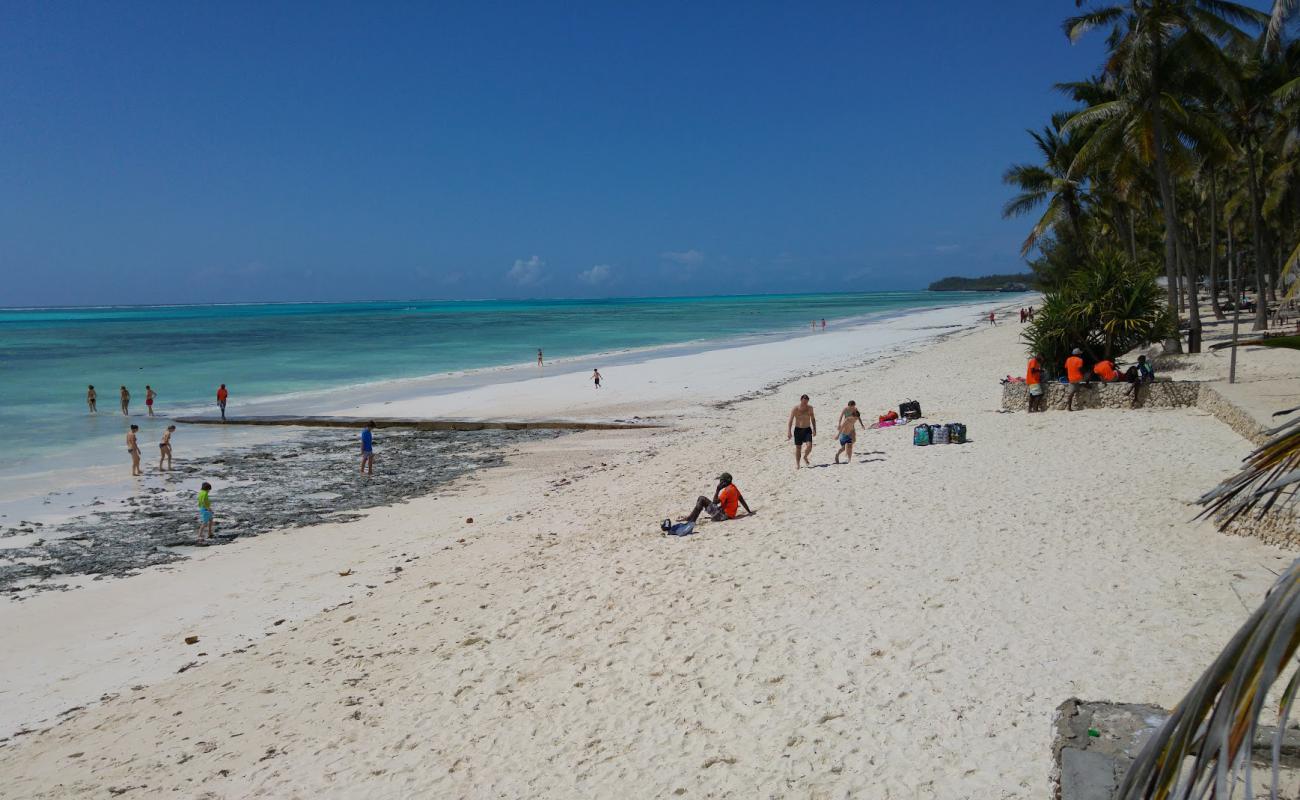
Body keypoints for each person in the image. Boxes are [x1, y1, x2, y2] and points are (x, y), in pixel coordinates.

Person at [681, 472, 753, 524]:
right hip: (731, 515)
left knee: (701, 499)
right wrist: (749, 512)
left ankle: (691, 520)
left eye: (721, 481)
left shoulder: (726, 491)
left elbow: (715, 502)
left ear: (724, 482)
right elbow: (741, 500)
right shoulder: (734, 488)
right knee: (702, 499)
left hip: (723, 516)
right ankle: (691, 518)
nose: (720, 482)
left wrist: (717, 490)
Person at [787, 394, 816, 468]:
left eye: (806, 402)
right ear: (801, 400)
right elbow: (790, 420)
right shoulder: (795, 409)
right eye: (804, 402)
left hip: (807, 430)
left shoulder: (810, 408)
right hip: (798, 430)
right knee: (798, 448)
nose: (805, 404)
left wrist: (814, 429)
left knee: (809, 446)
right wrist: (789, 431)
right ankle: (798, 464)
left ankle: (805, 456)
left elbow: (813, 418)